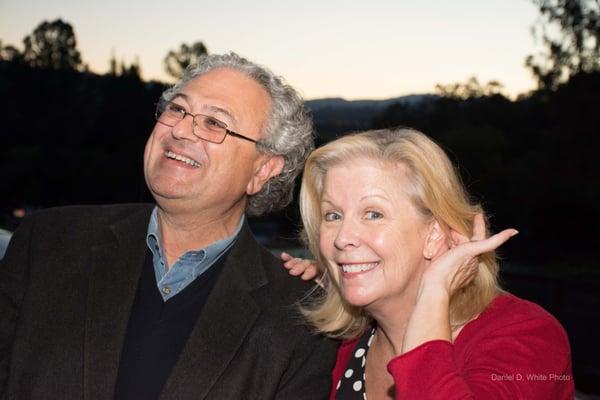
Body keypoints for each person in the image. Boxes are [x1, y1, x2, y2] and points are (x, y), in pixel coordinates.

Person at [0, 53, 337, 399]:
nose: (179, 129)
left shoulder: (301, 319)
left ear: (262, 170)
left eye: (215, 123)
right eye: (177, 109)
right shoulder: (48, 243)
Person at [283, 127, 574, 399]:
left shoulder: (528, 336)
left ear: (434, 234)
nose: (342, 238)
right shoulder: (343, 346)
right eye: (332, 216)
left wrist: (434, 293)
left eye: (373, 214)